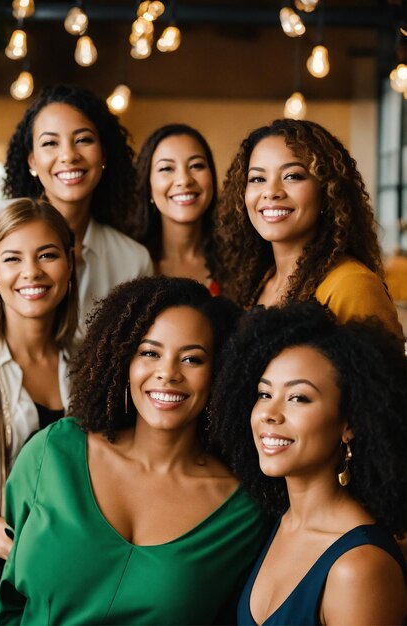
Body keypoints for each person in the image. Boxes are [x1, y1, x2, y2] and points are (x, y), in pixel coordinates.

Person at [0, 276, 267, 626]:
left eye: (192, 359)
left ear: (219, 374)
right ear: (124, 358)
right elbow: (11, 600)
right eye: (150, 353)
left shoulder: (243, 512)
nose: (167, 374)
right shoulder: (54, 452)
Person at [210, 301, 406, 626]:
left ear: (350, 423)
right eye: (264, 394)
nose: (270, 413)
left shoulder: (359, 568)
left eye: (298, 397)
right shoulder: (277, 522)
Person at [0, 199, 78, 615]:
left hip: (75, 584)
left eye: (47, 255)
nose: (31, 272)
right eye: (12, 258)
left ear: (70, 263)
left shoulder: (93, 365)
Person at [0, 84, 152, 343]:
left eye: (83, 140)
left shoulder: (133, 260)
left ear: (103, 153)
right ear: (33, 162)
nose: (68, 155)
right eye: (50, 143)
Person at [214, 118, 403, 341]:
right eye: (257, 178)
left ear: (326, 191)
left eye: (292, 176)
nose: (271, 191)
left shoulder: (353, 286)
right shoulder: (261, 280)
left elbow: (382, 375)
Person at [129, 124, 220, 294]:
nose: (184, 180)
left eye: (196, 166)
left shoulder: (237, 264)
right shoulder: (128, 262)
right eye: (166, 168)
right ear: (148, 185)